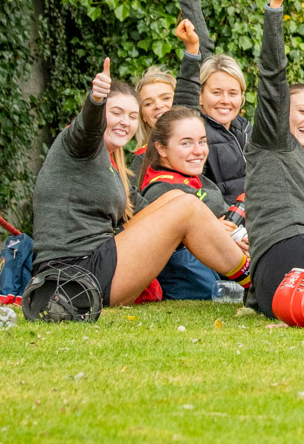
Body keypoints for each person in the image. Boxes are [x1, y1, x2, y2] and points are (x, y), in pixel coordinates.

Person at [30, 59, 252, 308]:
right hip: (72, 276)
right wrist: (96, 101)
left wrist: (213, 226)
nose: (125, 121)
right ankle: (254, 281)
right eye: (116, 113)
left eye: (132, 115)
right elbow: (88, 127)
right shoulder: (78, 145)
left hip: (97, 262)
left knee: (177, 200)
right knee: (186, 206)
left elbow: (145, 208)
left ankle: (249, 272)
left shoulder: (114, 163)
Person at [242, 0, 304, 317]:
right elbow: (272, 78)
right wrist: (275, 9)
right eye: (303, 110)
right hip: (290, 255)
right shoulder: (272, 141)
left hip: (279, 278)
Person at [159, 0, 251, 204]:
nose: (225, 100)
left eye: (233, 93)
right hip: (222, 227)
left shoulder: (246, 130)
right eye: (216, 92)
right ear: (200, 95)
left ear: (242, 97)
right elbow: (200, 56)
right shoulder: (194, 126)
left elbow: (207, 53)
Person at [137, 105, 246, 299]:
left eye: (202, 141)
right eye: (186, 143)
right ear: (162, 148)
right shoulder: (160, 190)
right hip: (191, 283)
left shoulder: (195, 177)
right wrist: (212, 230)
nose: (198, 151)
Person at [131, 66, 176, 175]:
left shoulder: (202, 146)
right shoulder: (142, 158)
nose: (158, 105)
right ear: (143, 117)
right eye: (148, 103)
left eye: (166, 98)